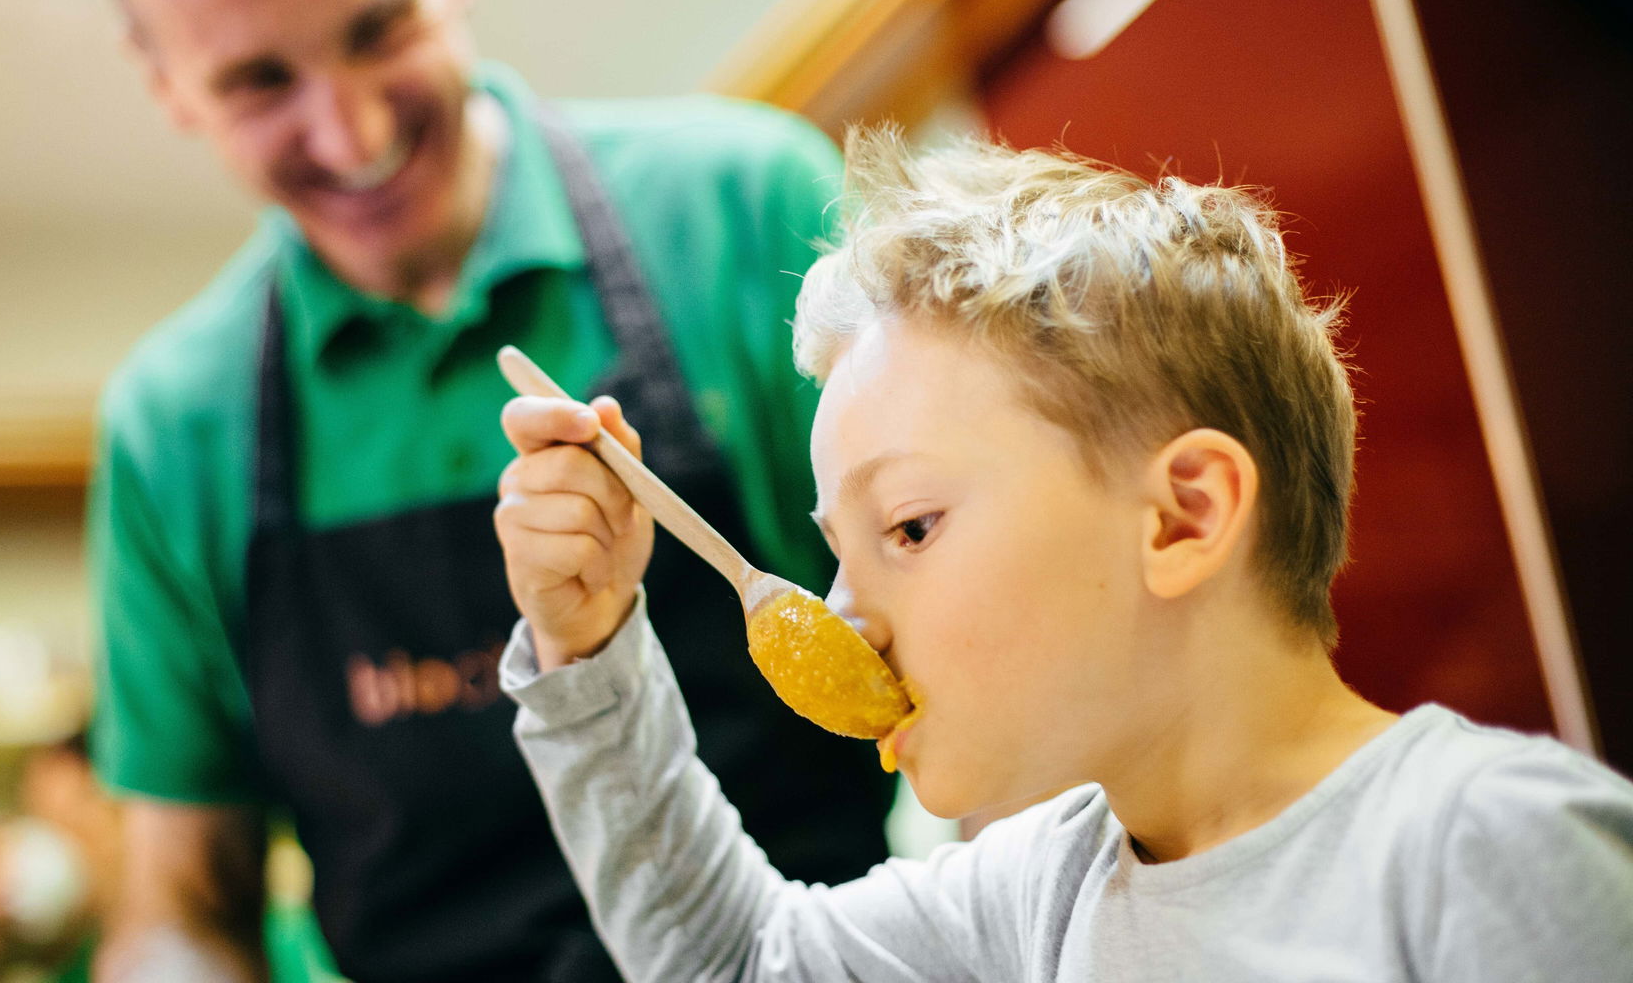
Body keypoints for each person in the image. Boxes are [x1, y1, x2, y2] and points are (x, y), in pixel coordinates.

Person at [494, 131, 1633, 980]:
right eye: (838, 554)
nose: (845, 614)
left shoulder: (1491, 848)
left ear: (1182, 517)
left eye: (909, 529)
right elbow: (734, 963)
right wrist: (585, 641)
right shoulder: (1040, 891)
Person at [81, 0, 895, 979]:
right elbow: (185, 908)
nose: (352, 135)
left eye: (378, 30)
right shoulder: (172, 425)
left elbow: (991, 686)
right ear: (166, 83)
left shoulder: (750, 212)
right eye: (260, 82)